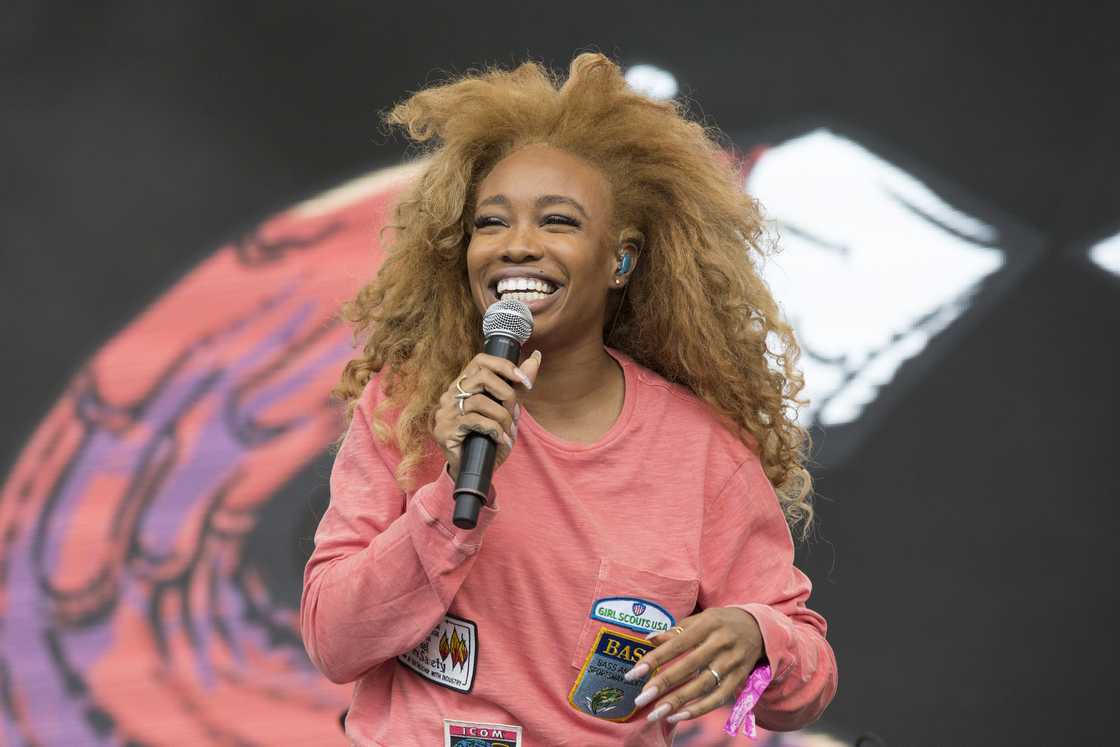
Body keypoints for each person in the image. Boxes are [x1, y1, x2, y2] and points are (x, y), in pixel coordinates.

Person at [300, 52, 837, 746]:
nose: (516, 246)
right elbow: (333, 642)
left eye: (556, 221)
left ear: (620, 259)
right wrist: (442, 504)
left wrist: (756, 640)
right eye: (490, 224)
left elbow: (800, 688)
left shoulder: (699, 452)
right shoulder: (406, 407)